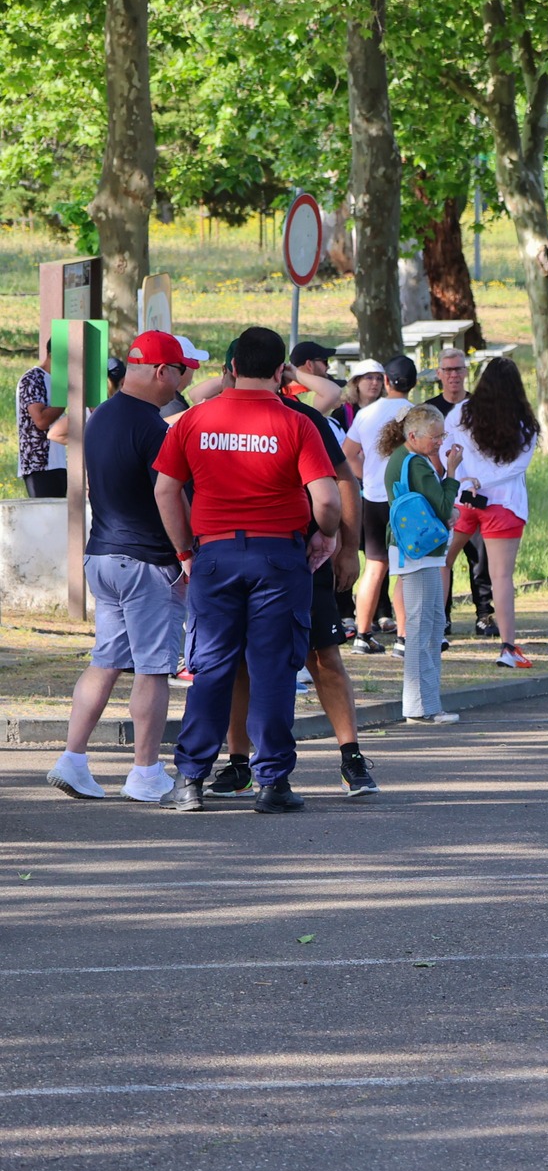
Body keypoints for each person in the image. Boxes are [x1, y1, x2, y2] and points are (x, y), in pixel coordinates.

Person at [151, 326, 341, 813]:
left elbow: (165, 490)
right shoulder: (297, 423)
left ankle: (190, 779)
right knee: (273, 668)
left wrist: (185, 551)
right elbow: (326, 499)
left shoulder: (195, 420)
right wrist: (326, 534)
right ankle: (272, 783)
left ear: (232, 368)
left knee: (211, 666)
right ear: (281, 372)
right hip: (279, 558)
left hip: (214, 556)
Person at [209, 349, 381, 798]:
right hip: (232, 557)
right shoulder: (211, 418)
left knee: (322, 656)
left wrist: (346, 547)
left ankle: (351, 757)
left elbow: (343, 480)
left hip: (305, 555)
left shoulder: (302, 417)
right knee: (240, 661)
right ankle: (239, 762)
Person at [45, 332, 202, 803]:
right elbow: (168, 494)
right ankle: (145, 772)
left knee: (105, 660)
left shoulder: (102, 416)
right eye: (180, 372)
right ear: (161, 371)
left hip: (102, 554)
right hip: (147, 562)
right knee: (153, 669)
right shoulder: (152, 428)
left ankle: (72, 759)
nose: (182, 382)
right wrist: (186, 552)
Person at [442, 357, 540, 669]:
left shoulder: (461, 413)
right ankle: (508, 647)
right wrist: (483, 482)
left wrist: (466, 480)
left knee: (442, 561)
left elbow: (447, 450)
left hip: (463, 500)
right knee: (501, 576)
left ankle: (435, 630)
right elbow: (517, 467)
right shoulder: (525, 424)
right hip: (504, 504)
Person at [381, 405, 464, 724]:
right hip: (419, 552)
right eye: (435, 436)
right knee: (424, 626)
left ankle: (426, 704)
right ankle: (421, 706)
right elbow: (442, 506)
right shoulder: (415, 462)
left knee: (429, 622)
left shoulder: (401, 458)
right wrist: (452, 473)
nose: (440, 441)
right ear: (413, 435)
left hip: (412, 549)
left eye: (442, 435)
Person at [342, 356, 415, 651]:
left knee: (374, 566)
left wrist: (368, 474)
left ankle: (362, 635)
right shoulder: (417, 413)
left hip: (372, 497)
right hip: (405, 499)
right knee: (405, 569)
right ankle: (403, 638)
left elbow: (347, 453)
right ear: (414, 383)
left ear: (386, 380)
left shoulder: (366, 413)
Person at [425, 348, 496, 637]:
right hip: (441, 492)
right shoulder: (429, 409)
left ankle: (485, 614)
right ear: (439, 374)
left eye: (458, 369)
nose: (453, 375)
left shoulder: (480, 406)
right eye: (448, 370)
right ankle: (442, 617)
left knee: (481, 556)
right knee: (443, 555)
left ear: (466, 372)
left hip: (476, 492)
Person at [15, 338, 67, 498]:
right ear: (52, 355)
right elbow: (41, 420)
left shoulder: (59, 382)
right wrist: (66, 400)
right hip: (39, 465)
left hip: (58, 463)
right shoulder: (32, 379)